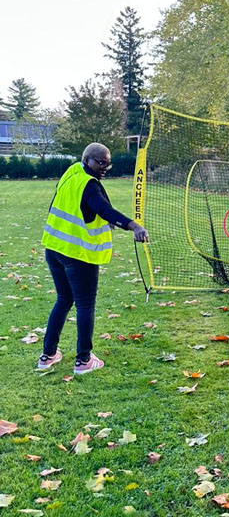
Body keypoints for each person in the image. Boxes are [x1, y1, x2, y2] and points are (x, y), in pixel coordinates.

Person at [38, 143, 149, 375]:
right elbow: (104, 209)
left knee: (63, 300)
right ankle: (84, 360)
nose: (105, 167)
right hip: (77, 254)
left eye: (108, 163)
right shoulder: (89, 184)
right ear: (87, 159)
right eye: (100, 162)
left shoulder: (72, 172)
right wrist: (134, 226)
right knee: (85, 304)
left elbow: (80, 205)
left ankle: (47, 356)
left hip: (54, 249)